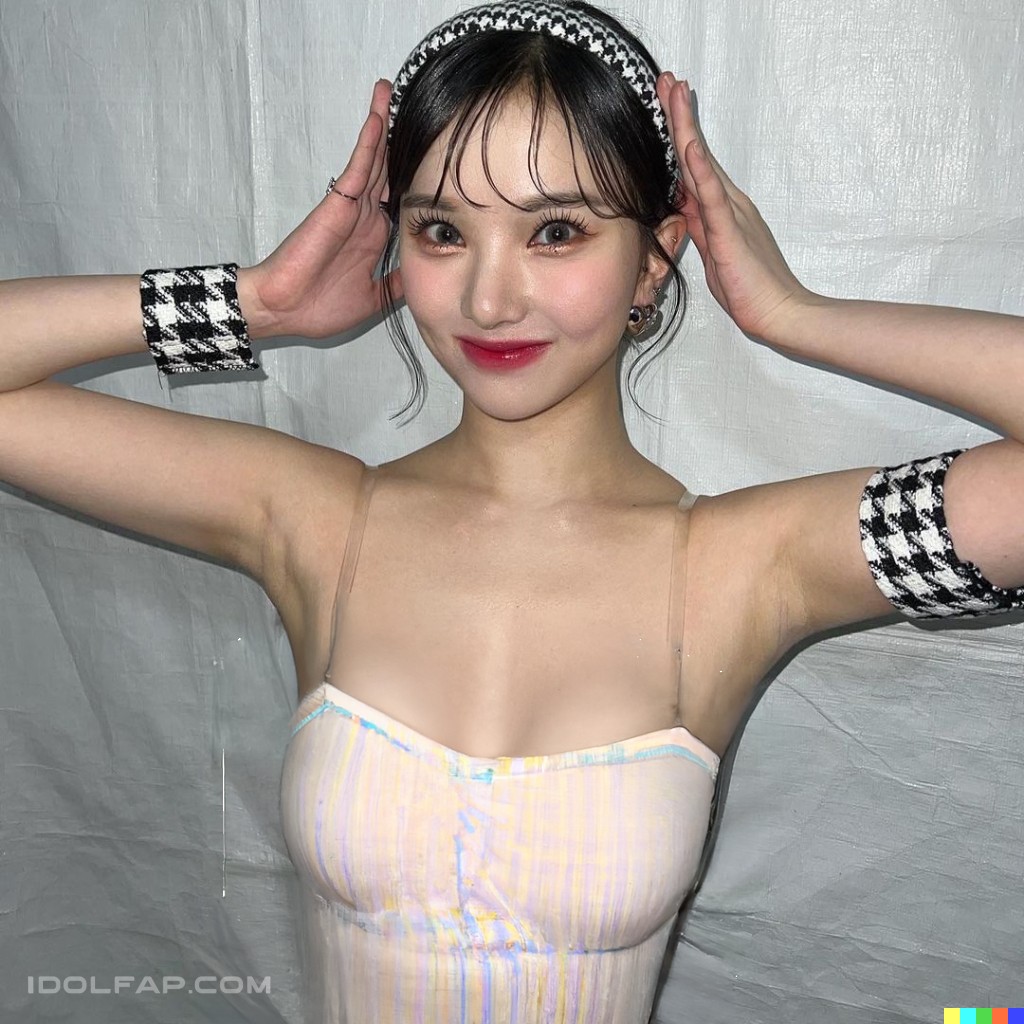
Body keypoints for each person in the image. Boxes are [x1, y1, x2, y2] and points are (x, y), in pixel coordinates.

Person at [1, 0, 1022, 1020]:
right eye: (442, 230)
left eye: (557, 231)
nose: (489, 300)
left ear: (654, 257)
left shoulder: (738, 568)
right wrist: (255, 300)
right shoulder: (317, 523)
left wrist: (794, 315)